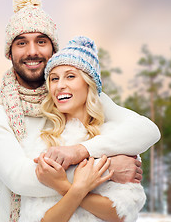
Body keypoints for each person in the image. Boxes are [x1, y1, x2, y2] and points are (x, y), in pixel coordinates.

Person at [0, 0, 160, 222]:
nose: (32, 51)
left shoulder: (72, 96)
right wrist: (108, 168)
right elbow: (20, 178)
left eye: (41, 41)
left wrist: (80, 152)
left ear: (53, 49)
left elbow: (147, 130)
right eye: (21, 43)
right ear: (9, 52)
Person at [19, 36, 148, 222]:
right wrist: (79, 187)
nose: (60, 85)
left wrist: (63, 186)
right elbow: (40, 219)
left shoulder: (116, 138)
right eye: (54, 79)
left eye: (70, 76)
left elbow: (120, 214)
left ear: (89, 84)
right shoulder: (41, 142)